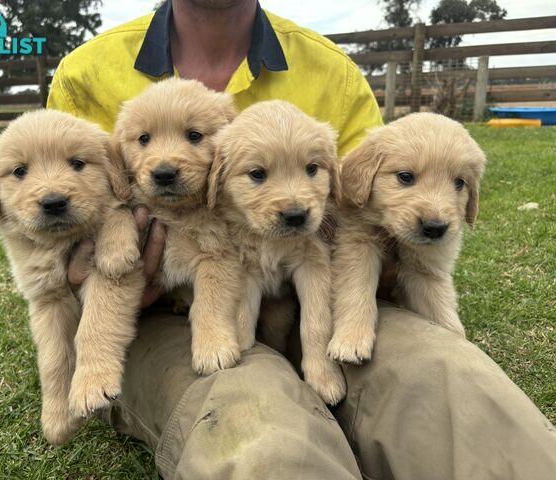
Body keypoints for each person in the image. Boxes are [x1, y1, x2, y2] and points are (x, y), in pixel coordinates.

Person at [47, 1, 556, 478]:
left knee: (453, 384)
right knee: (260, 431)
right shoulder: (86, 73)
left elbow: (374, 204)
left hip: (329, 289)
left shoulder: (331, 71)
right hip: (162, 317)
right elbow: (60, 237)